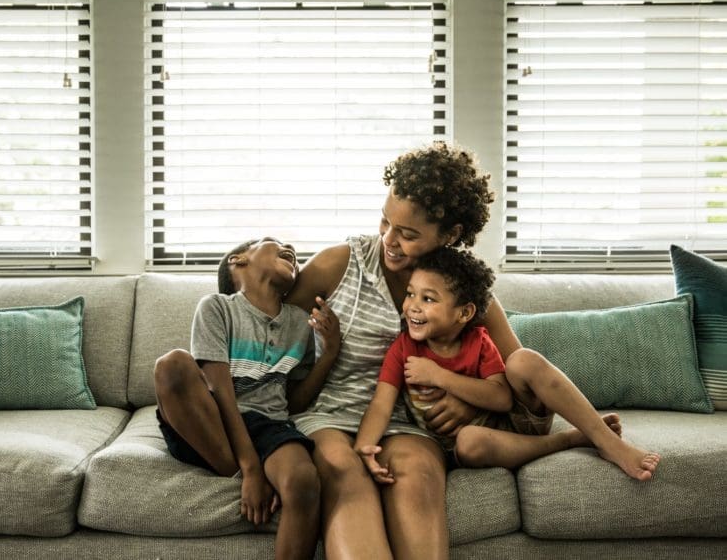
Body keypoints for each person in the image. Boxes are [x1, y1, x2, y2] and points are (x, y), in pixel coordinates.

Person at [285, 141, 661, 560]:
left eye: (408, 234)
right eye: (385, 222)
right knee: (343, 471)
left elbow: (516, 382)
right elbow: (270, 340)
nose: (389, 240)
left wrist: (465, 397)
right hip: (332, 413)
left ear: (450, 235)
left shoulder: (464, 290)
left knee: (418, 473)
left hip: (413, 425)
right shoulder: (338, 265)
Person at [153, 237, 340, 560]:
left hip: (269, 425)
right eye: (274, 243)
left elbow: (294, 402)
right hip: (211, 419)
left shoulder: (299, 323)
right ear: (238, 261)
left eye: (293, 253)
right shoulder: (217, 307)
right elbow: (221, 392)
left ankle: (256, 473)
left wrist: (330, 352)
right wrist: (252, 469)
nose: (291, 249)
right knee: (172, 364)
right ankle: (239, 473)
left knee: (304, 480)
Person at [355, 246, 512, 483]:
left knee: (471, 440)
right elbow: (381, 405)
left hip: (487, 438)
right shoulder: (403, 348)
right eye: (410, 294)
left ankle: (560, 441)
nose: (412, 306)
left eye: (427, 299)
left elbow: (502, 398)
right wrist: (365, 446)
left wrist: (438, 376)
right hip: (436, 448)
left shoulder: (479, 343)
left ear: (464, 313)